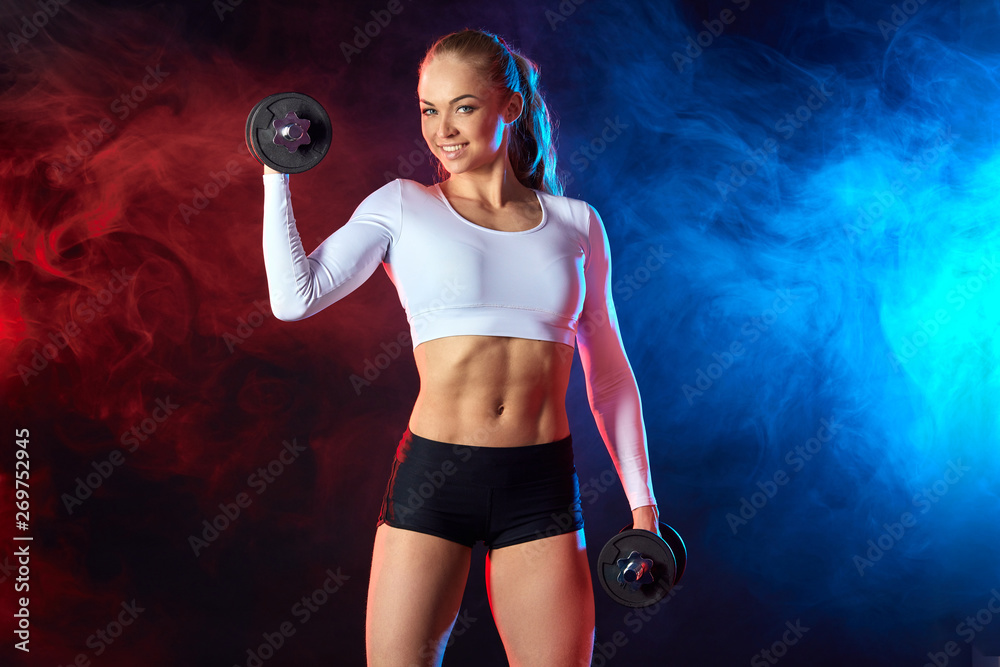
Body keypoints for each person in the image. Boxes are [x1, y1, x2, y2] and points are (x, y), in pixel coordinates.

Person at [259, 28, 659, 667]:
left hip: (540, 488)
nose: (442, 129)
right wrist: (276, 175)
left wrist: (643, 504)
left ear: (511, 108)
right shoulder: (402, 207)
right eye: (428, 109)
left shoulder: (577, 224)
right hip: (434, 481)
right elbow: (295, 298)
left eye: (463, 107)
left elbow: (607, 373)